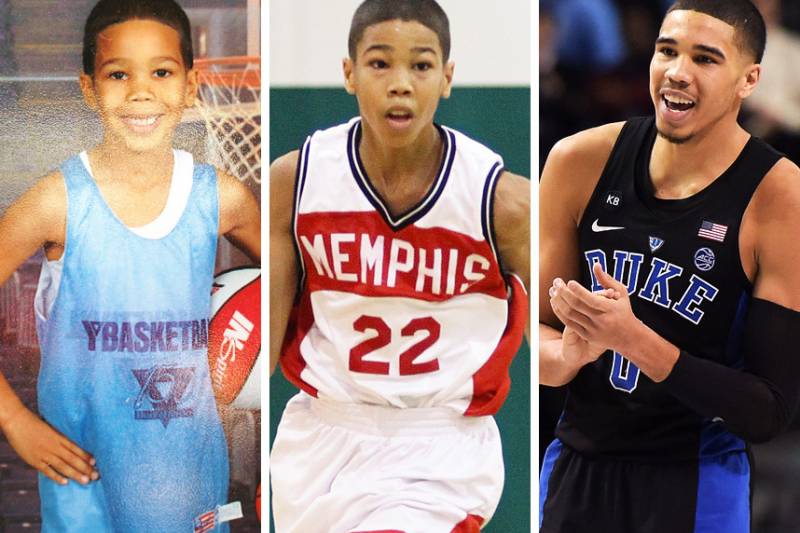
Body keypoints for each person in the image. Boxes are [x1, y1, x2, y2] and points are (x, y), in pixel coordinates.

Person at [539, 0, 800, 531]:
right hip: (576, 469)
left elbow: (769, 411)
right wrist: (565, 355)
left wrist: (633, 340)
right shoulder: (576, 160)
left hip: (698, 478)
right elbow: (535, 344)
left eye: (705, 58)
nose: (678, 72)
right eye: (667, 51)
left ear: (748, 79)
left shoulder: (780, 195)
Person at [269, 0, 529, 531]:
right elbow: (262, 348)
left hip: (438, 448)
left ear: (447, 78)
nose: (401, 83)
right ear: (349, 73)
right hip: (318, 439)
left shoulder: (504, 204)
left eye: (422, 65)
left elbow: (557, 333)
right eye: (380, 63)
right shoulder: (293, 182)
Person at [0, 1, 260, 531]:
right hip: (85, 482)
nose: (141, 91)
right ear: (89, 88)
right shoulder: (57, 202)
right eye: (119, 74)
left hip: (190, 478)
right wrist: (14, 420)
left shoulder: (223, 198)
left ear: (190, 86)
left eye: (161, 72)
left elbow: (292, 284)